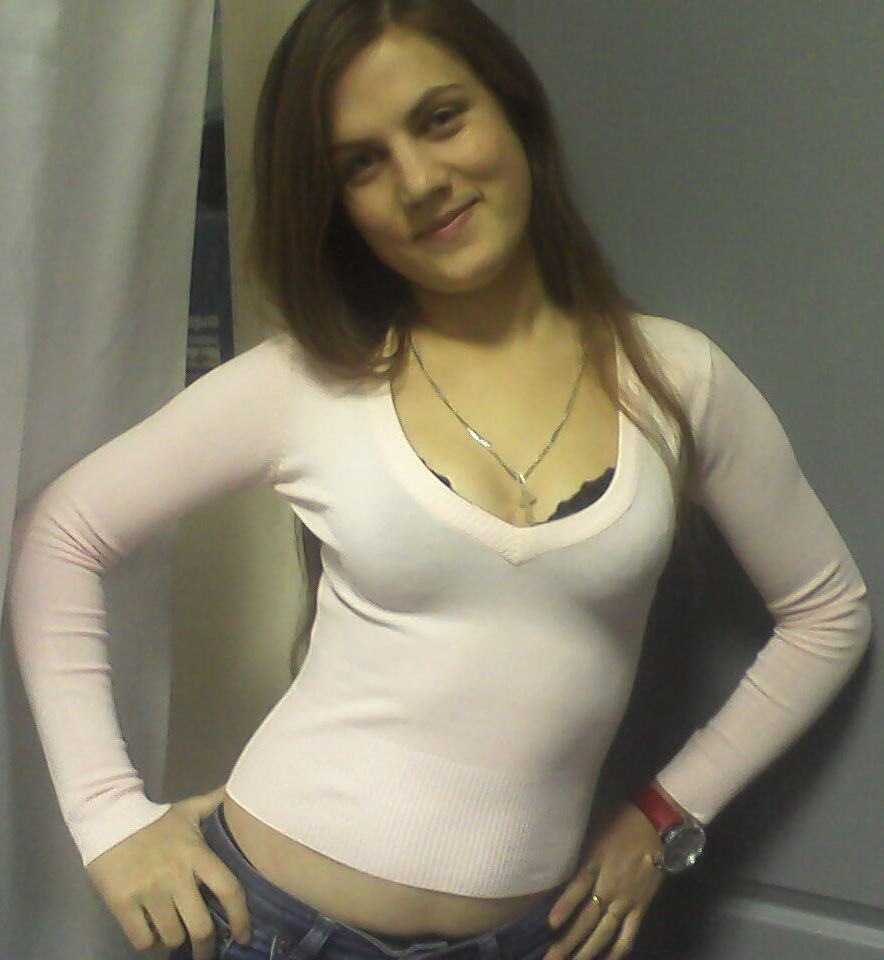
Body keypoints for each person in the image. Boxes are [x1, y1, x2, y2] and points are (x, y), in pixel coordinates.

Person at [7, 1, 873, 959]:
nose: (419, 182)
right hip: (266, 926)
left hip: (532, 941)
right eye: (362, 163)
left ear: (514, 112)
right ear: (336, 205)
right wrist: (106, 816)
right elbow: (61, 533)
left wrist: (667, 812)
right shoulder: (309, 381)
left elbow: (828, 613)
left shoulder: (678, 380)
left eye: (441, 119)